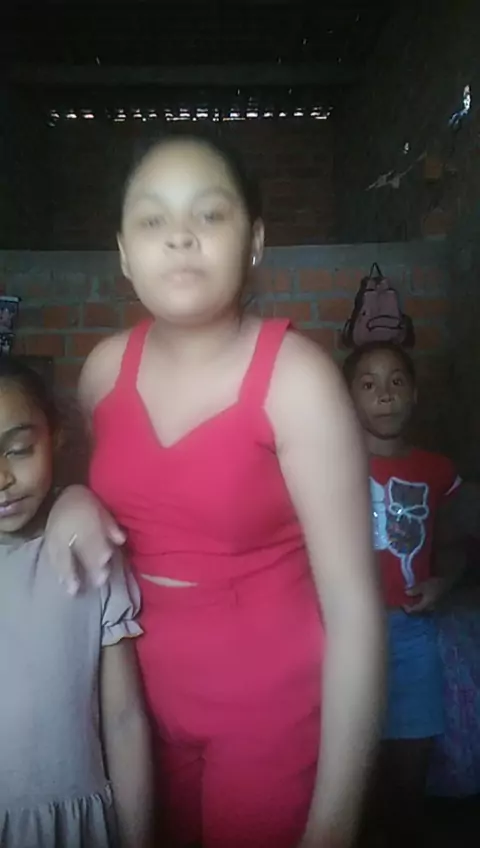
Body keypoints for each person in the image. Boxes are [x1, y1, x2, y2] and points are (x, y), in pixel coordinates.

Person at [45, 128, 384, 848]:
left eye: (209, 213)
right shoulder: (103, 372)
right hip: (134, 705)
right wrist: (72, 498)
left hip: (272, 710)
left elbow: (354, 607)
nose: (180, 236)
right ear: (124, 252)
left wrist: (335, 824)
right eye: (153, 219)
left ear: (254, 241)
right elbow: (83, 504)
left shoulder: (297, 381)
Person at [0, 357, 152, 848]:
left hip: (75, 826)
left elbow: (124, 720)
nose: (2, 477)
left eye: (19, 450)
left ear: (56, 437)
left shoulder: (90, 550)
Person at [344, 342, 464, 848]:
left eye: (396, 382)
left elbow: (457, 545)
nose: (385, 395)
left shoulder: (438, 470)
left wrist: (443, 581)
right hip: (347, 635)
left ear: (414, 394)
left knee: (409, 765)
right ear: (348, 399)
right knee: (352, 769)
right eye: (368, 384)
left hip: (412, 632)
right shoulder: (332, 466)